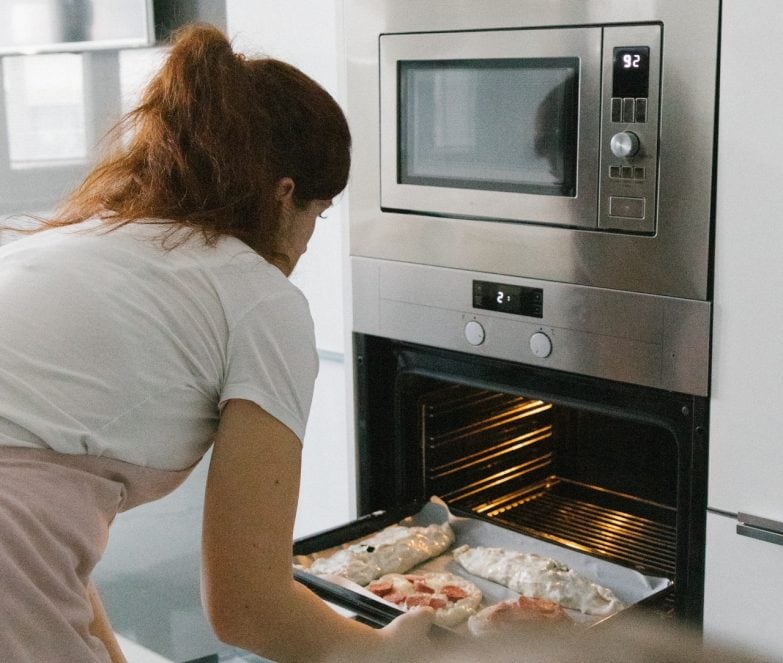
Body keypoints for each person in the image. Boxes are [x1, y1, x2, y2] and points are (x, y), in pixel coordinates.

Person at [0, 23, 436, 663]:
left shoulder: (79, 239)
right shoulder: (260, 300)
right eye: (318, 213)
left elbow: (45, 520)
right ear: (283, 194)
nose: (312, 238)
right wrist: (390, 652)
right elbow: (247, 609)